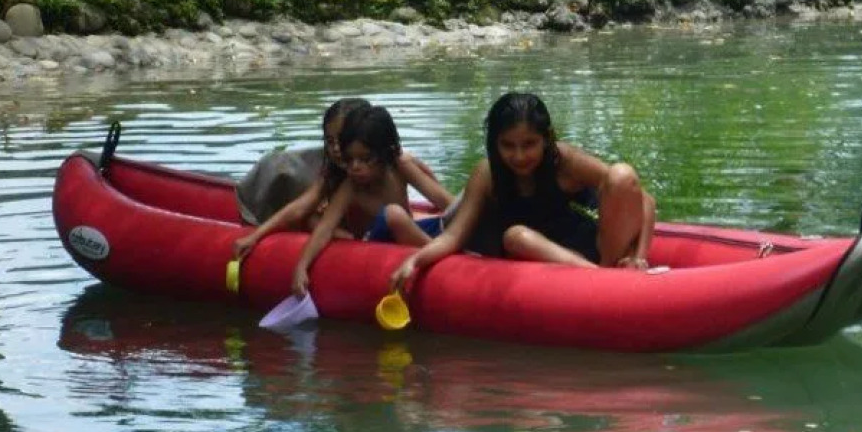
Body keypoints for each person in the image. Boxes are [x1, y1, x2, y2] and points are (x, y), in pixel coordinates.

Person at [388, 92, 655, 289]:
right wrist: (416, 260)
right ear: (495, 143)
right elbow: (454, 237)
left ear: (546, 138)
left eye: (529, 144)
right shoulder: (488, 173)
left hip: (590, 247)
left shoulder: (565, 161)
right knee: (516, 236)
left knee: (622, 174)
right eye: (508, 145)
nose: (519, 156)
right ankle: (601, 277)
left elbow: (643, 199)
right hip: (530, 250)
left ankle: (608, 272)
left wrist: (638, 257)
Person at [234, 98, 453, 260]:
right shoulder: (341, 178)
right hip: (367, 239)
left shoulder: (395, 162)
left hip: (398, 230)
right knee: (311, 218)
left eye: (342, 141)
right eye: (329, 142)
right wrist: (256, 236)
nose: (337, 150)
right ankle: (443, 253)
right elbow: (301, 209)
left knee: (407, 216)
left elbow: (439, 195)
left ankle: (443, 248)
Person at [290, 105, 440, 297]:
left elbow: (445, 201)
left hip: (409, 234)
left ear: (385, 153)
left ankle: (445, 249)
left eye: (365, 159)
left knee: (447, 220)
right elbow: (325, 228)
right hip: (379, 241)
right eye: (350, 159)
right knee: (394, 214)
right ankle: (444, 255)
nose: (355, 167)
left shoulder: (400, 166)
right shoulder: (351, 185)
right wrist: (301, 266)